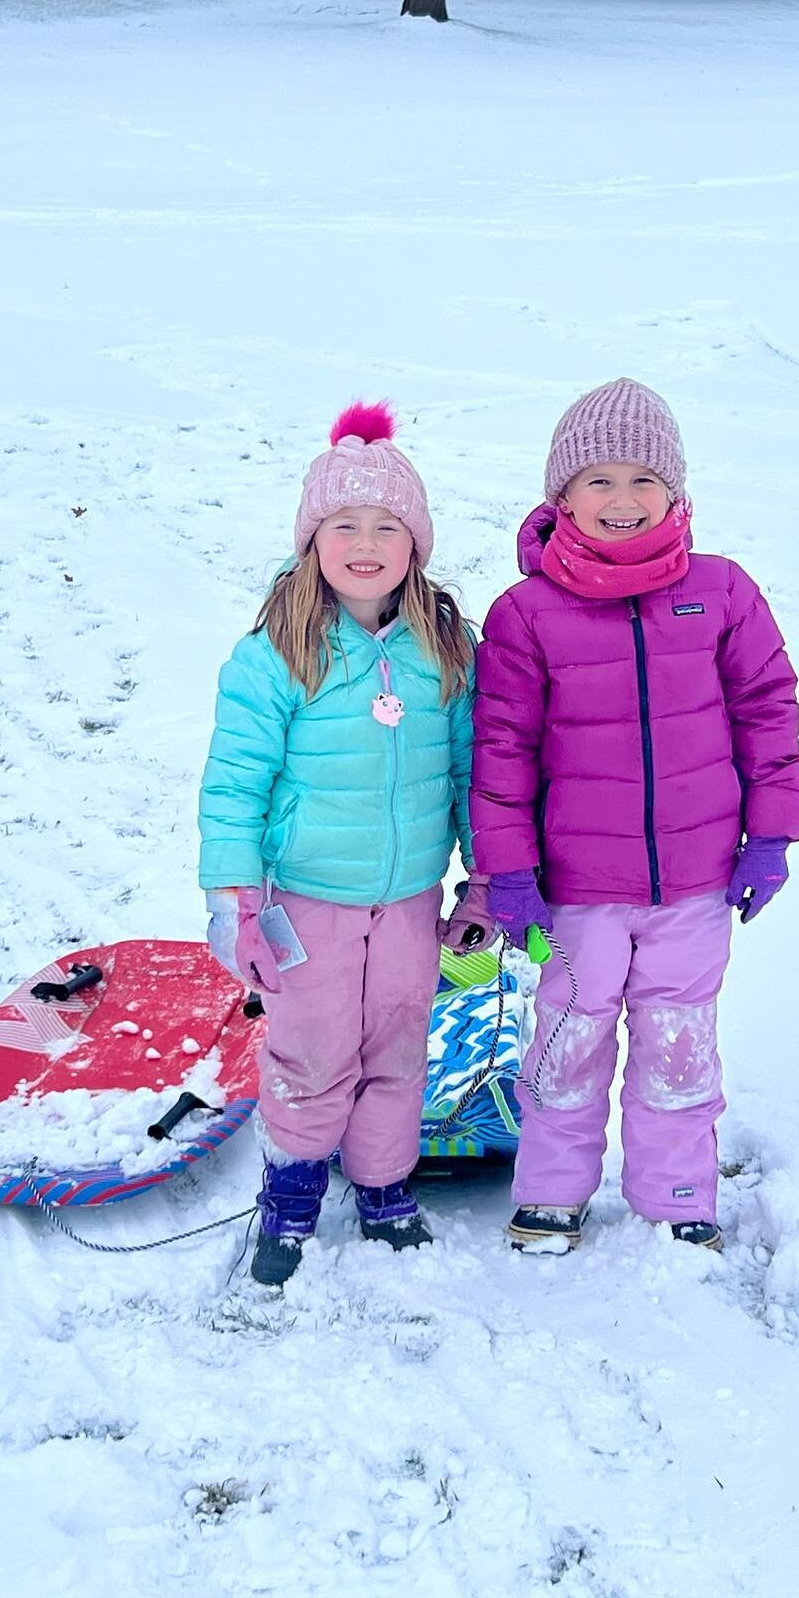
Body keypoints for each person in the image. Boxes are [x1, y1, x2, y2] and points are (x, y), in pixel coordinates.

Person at [470, 378, 799, 1253]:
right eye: (599, 482)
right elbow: (501, 750)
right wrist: (506, 872)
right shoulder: (526, 614)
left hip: (696, 885)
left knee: (678, 1041)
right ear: (562, 498)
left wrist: (770, 835)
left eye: (641, 481)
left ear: (675, 491)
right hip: (574, 895)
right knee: (568, 1040)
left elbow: (769, 710)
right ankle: (551, 1191)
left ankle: (677, 1192)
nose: (622, 502)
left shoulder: (722, 593)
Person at [198, 402, 488, 1287]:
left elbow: (472, 774)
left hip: (408, 900)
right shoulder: (275, 654)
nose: (367, 542)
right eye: (345, 524)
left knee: (399, 1047)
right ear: (312, 539)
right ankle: (291, 1186)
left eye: (387, 525)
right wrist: (235, 899)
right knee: (313, 1046)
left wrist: (482, 882)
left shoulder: (446, 651)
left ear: (416, 542)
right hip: (309, 903)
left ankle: (383, 1187)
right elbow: (235, 784)